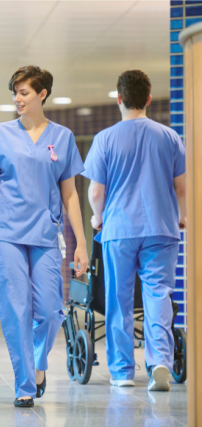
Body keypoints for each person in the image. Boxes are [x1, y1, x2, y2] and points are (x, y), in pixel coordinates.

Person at [0, 66, 89, 407]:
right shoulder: (0, 134)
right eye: (15, 92)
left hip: (43, 233)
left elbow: (70, 195)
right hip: (4, 232)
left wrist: (80, 242)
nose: (17, 98)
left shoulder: (62, 138)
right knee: (16, 308)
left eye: (23, 92)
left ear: (42, 94)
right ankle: (24, 385)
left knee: (51, 310)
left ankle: (37, 363)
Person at [82, 70, 186, 392]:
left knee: (119, 299)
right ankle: (160, 364)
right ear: (148, 99)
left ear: (119, 98)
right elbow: (182, 188)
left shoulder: (105, 139)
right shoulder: (170, 137)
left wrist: (97, 218)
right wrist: (181, 217)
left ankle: (123, 372)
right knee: (158, 295)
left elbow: (96, 192)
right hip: (161, 228)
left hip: (119, 229)